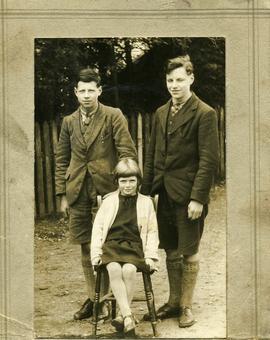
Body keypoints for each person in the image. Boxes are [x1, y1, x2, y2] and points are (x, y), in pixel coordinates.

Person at [141, 55, 219, 327]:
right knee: (171, 250)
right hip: (164, 194)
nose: (174, 85)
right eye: (170, 80)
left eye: (180, 80)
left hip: (188, 197)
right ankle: (174, 302)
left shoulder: (205, 113)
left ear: (191, 79)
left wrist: (198, 198)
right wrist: (145, 193)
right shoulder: (161, 112)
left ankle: (186, 306)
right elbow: (151, 155)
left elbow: (209, 160)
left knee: (189, 250)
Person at [55, 68, 137, 320]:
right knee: (84, 245)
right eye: (83, 91)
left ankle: (102, 300)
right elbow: (62, 158)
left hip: (107, 192)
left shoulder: (113, 116)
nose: (87, 95)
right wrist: (62, 194)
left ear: (99, 91)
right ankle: (94, 299)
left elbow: (127, 153)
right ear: (76, 92)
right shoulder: (69, 121)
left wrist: (122, 190)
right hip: (77, 190)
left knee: (105, 245)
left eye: (92, 90)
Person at [91, 158, 159, 337]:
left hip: (135, 246)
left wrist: (151, 256)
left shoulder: (146, 203)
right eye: (123, 181)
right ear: (117, 182)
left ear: (138, 181)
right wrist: (96, 254)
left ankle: (123, 315)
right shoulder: (109, 201)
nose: (127, 185)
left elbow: (152, 232)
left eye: (132, 181)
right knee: (113, 268)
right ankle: (128, 315)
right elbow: (97, 229)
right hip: (112, 244)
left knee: (129, 270)